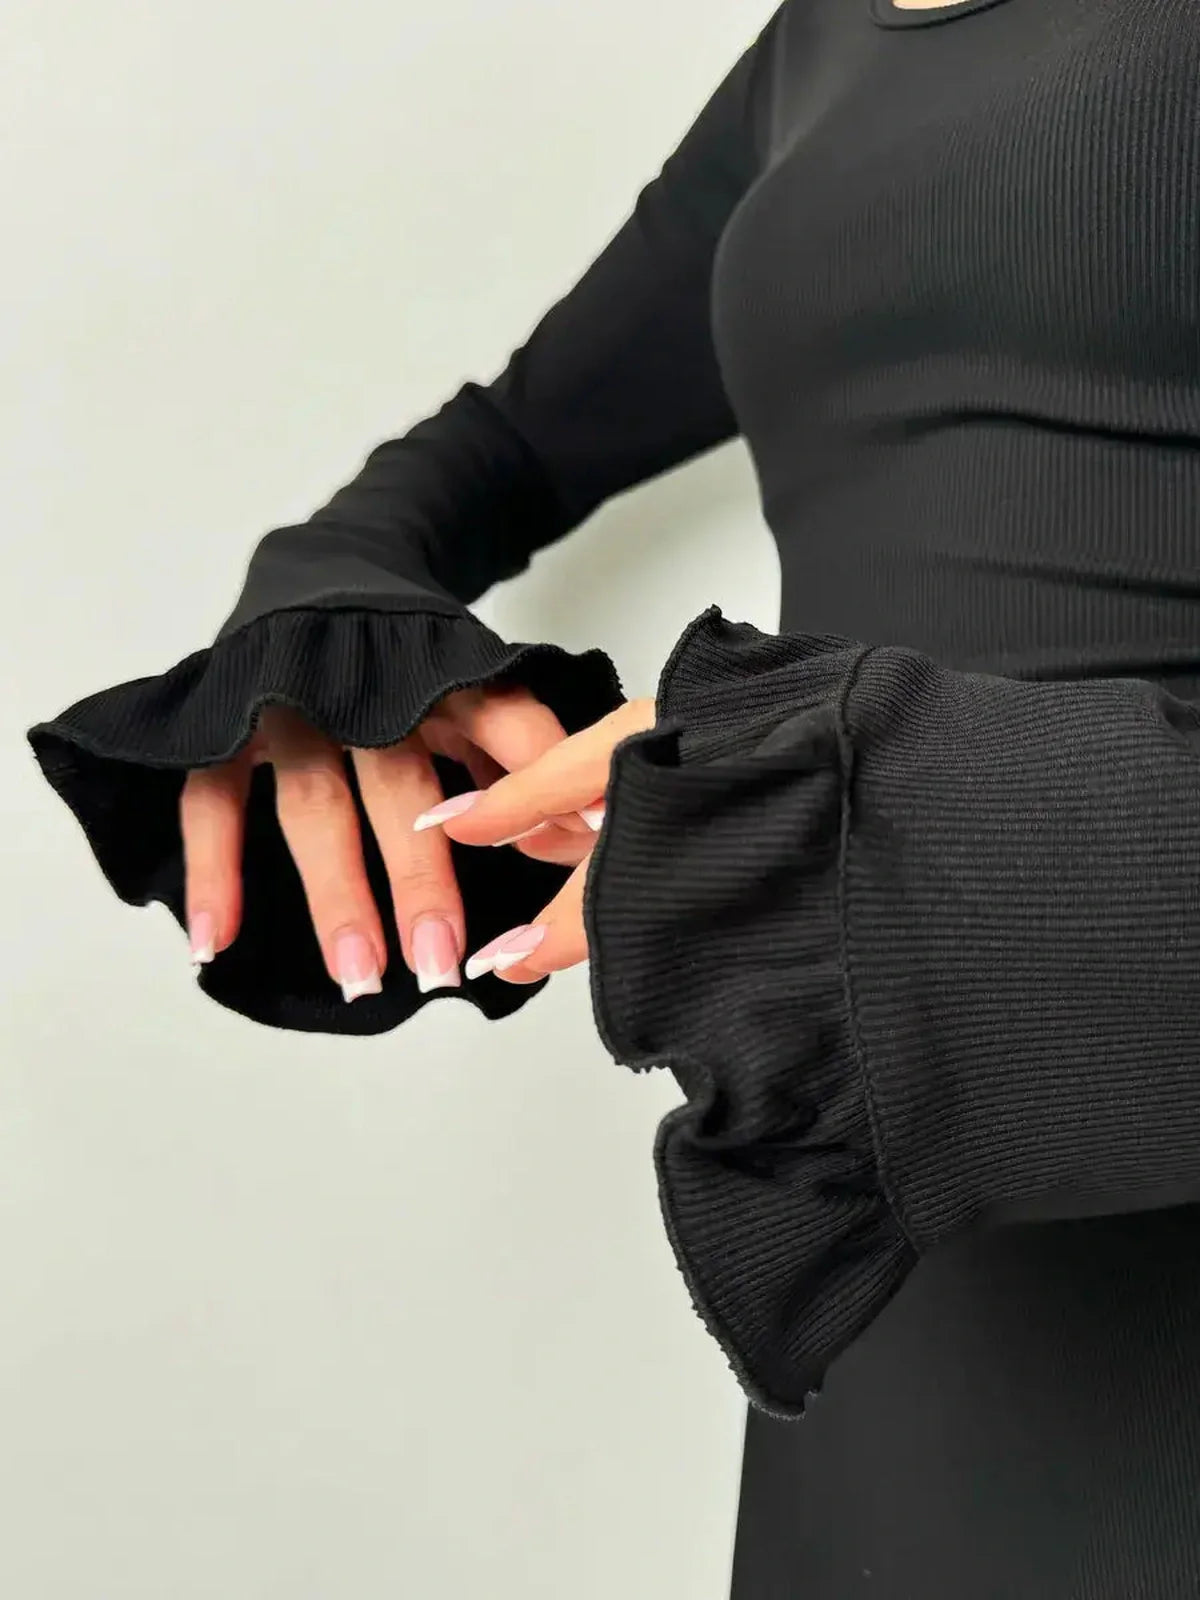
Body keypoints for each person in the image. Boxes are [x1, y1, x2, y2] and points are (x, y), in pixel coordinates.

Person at [28, 0, 1200, 1590]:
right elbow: (500, 448)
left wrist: (882, 821)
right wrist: (340, 630)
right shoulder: (818, 46)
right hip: (874, 1289)